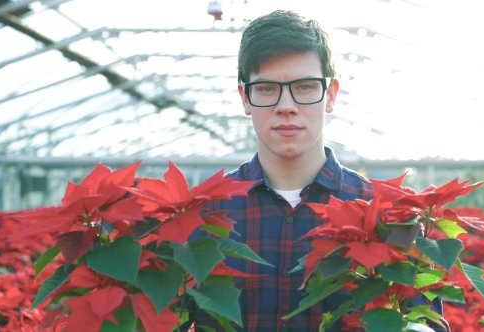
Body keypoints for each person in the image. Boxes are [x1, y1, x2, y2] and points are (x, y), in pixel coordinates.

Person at [189, 10, 448, 331]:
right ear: (245, 97)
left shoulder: (390, 217)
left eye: (305, 86)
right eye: (267, 88)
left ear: (331, 95)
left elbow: (426, 324)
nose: (286, 105)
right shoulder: (201, 213)